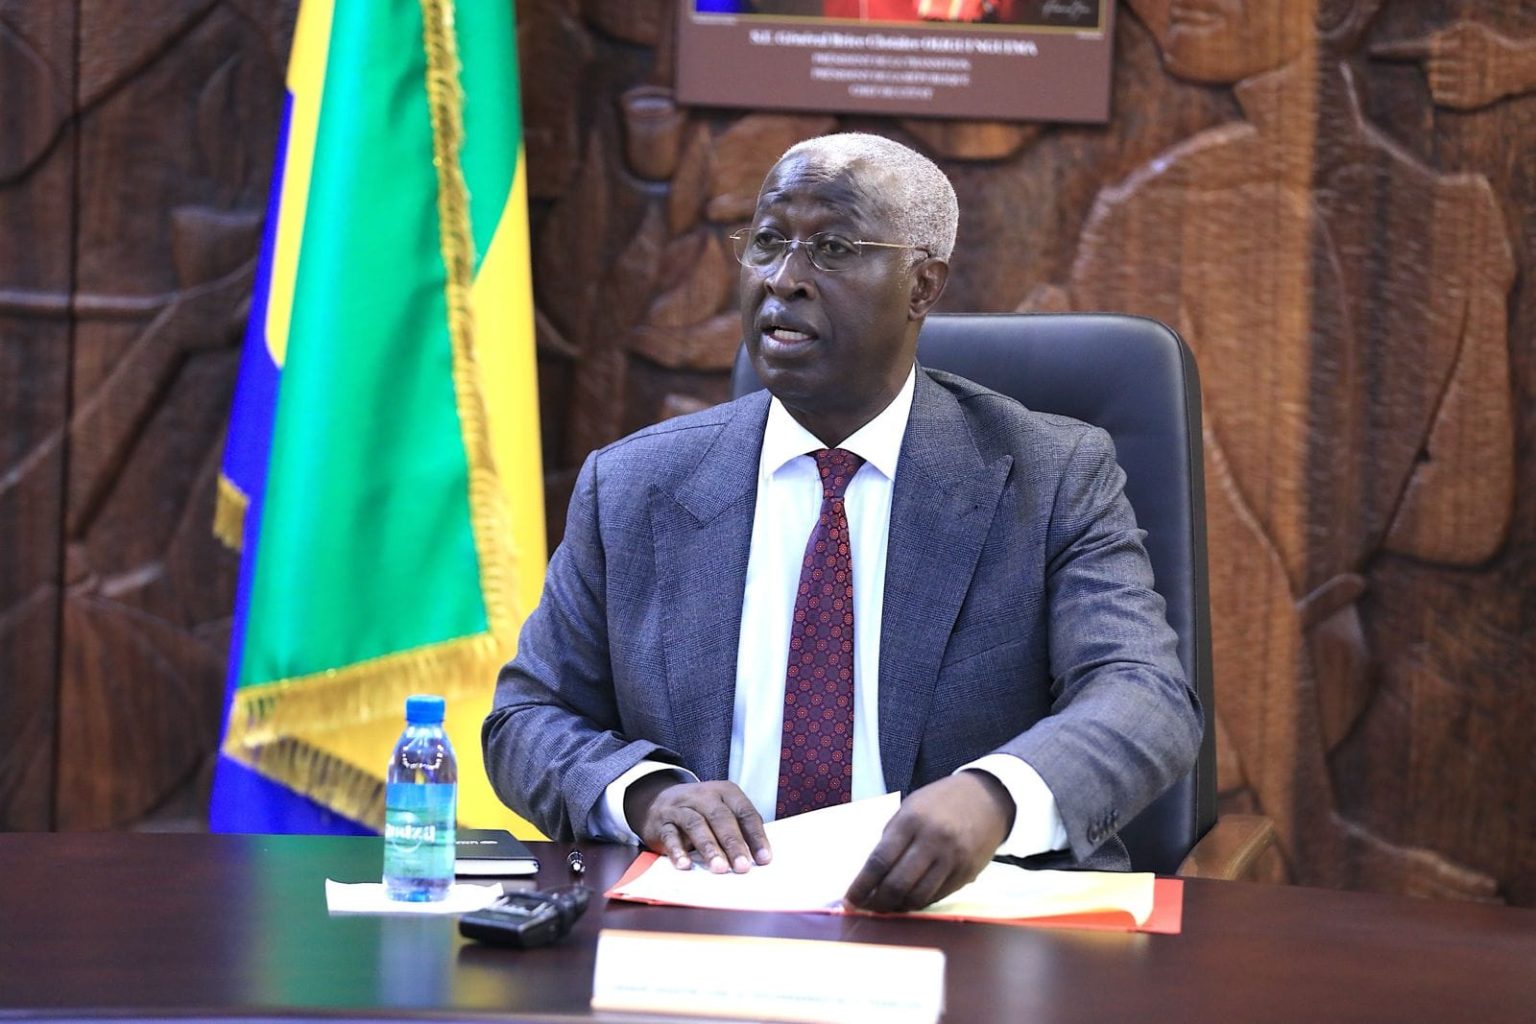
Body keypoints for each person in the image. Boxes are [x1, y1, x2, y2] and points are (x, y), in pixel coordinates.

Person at [483, 132, 1201, 912]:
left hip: (962, 919)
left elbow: (1144, 696)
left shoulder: (1050, 475)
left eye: (832, 248)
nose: (782, 279)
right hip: (706, 916)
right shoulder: (634, 484)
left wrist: (995, 796)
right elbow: (527, 717)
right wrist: (643, 795)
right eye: (767, 242)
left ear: (922, 286)